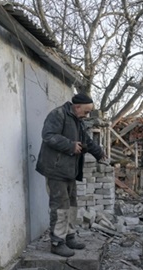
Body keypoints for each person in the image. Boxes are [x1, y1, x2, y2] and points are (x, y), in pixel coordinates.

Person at [36, 93, 107, 257]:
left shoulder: (77, 120)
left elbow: (86, 140)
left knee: (72, 205)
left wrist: (98, 153)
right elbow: (48, 136)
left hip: (69, 170)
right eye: (86, 111)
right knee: (60, 206)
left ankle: (69, 236)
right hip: (55, 169)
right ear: (77, 107)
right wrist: (70, 145)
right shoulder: (58, 114)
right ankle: (57, 242)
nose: (87, 115)